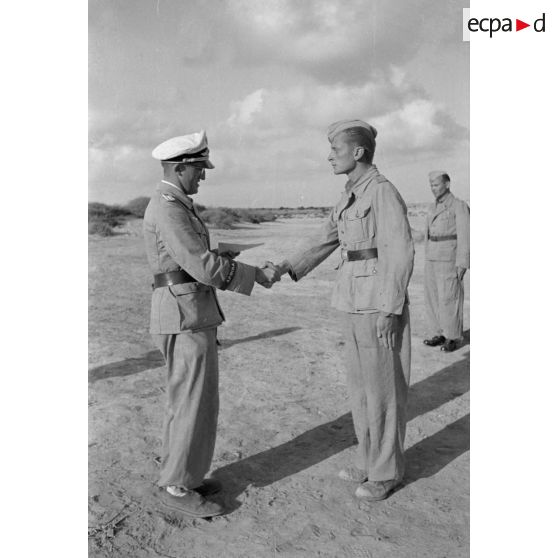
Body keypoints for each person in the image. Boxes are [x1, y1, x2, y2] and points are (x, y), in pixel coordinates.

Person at [266, 119, 414, 501]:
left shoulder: (381, 192)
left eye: (336, 150)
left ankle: (386, 472)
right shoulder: (350, 193)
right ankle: (369, 462)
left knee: (383, 390)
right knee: (361, 390)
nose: (329, 156)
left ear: (359, 152)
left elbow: (399, 251)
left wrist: (390, 307)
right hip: (351, 299)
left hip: (377, 303)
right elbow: (325, 237)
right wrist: (285, 266)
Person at [143, 130, 279, 518]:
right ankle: (176, 485)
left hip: (189, 312)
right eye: (199, 169)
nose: (203, 176)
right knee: (189, 402)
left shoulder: (177, 203)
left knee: (195, 401)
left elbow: (188, 257)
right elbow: (199, 266)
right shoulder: (169, 207)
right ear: (180, 167)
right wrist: (254, 275)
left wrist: (220, 253)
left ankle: (186, 474)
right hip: (182, 315)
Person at [423, 171, 470, 353]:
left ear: (447, 184)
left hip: (449, 258)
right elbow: (427, 234)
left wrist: (463, 262)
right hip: (432, 258)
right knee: (433, 298)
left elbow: (465, 235)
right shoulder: (432, 207)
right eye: (431, 185)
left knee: (450, 298)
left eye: (436, 185)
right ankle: (438, 333)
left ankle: (453, 336)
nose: (433, 188)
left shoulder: (458, 206)